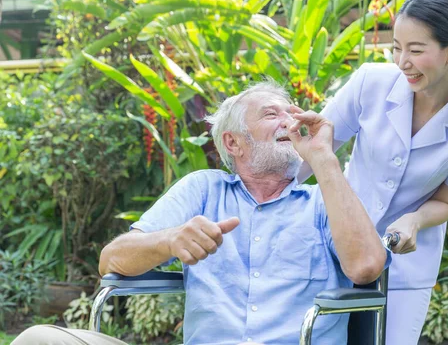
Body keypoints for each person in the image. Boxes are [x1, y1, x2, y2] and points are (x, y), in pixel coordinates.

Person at [13, 83, 391, 345]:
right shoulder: (203, 189)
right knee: (38, 339)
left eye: (290, 114)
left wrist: (323, 157)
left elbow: (366, 268)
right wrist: (170, 240)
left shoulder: (323, 202)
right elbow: (112, 259)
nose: (289, 123)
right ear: (233, 143)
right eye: (271, 114)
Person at [300, 0, 448, 343]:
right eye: (397, 47)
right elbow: (312, 152)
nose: (401, 62)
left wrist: (414, 219)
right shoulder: (371, 82)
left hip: (406, 270)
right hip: (331, 248)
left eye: (415, 50)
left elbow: (447, 201)